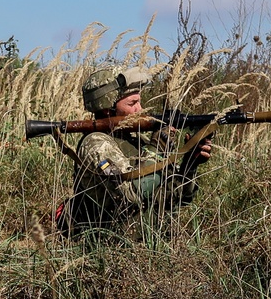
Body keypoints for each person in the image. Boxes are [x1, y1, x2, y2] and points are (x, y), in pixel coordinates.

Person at [55, 66, 213, 237]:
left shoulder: (138, 141)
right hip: (112, 250)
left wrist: (190, 163)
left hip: (151, 246)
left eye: (139, 101)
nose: (140, 109)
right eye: (132, 103)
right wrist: (157, 149)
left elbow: (177, 197)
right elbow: (131, 194)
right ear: (108, 109)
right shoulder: (96, 144)